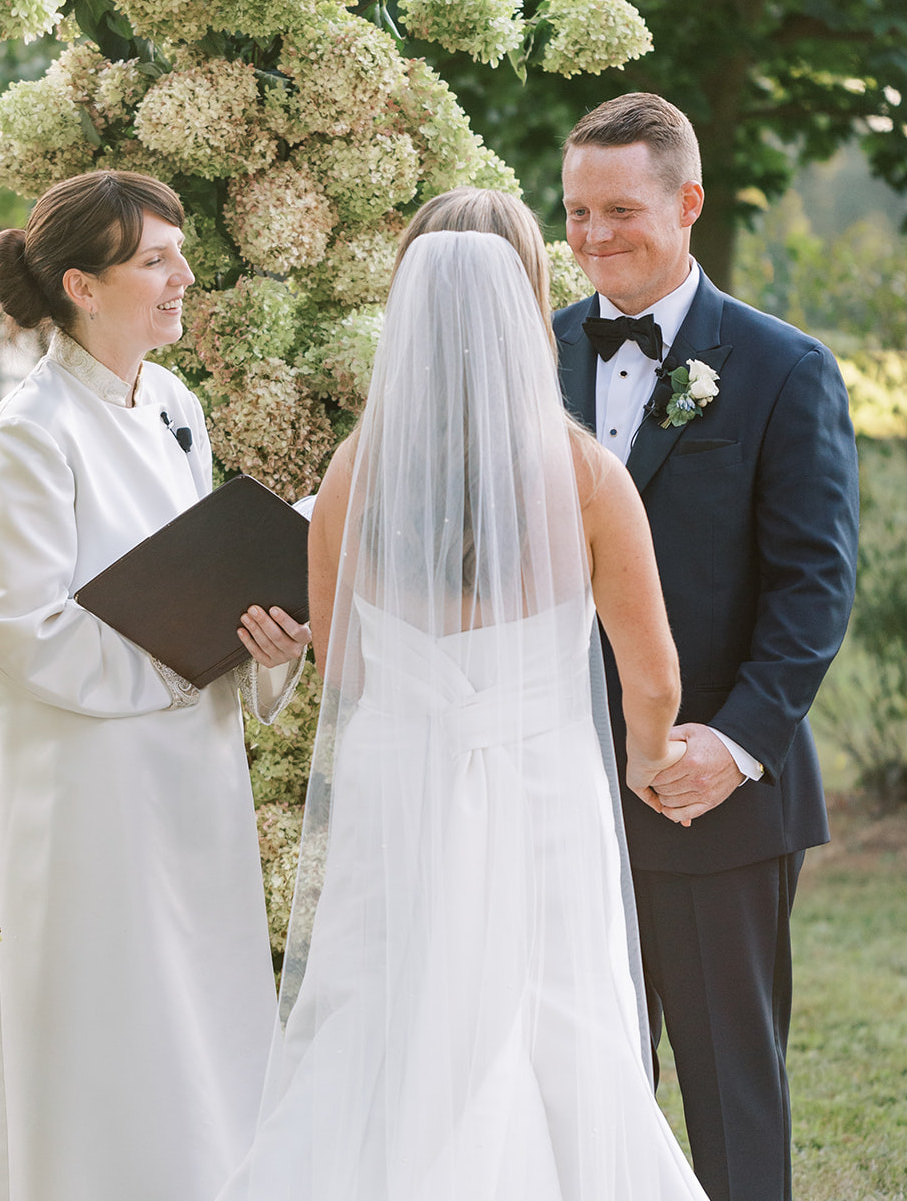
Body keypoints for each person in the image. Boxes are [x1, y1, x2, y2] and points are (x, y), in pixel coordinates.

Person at [215, 200, 710, 1200]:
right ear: (528, 298)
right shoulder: (585, 476)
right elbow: (649, 670)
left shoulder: (354, 472)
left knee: (382, 1016)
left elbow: (343, 666)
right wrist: (647, 752)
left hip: (399, 779)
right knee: (554, 1017)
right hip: (539, 782)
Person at [0, 169, 311, 1201]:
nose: (184, 275)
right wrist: (175, 655)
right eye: (155, 259)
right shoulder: (31, 428)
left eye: (177, 252)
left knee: (197, 1003)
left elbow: (204, 570)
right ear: (82, 286)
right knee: (108, 1012)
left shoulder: (174, 403)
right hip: (81, 778)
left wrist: (263, 643)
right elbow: (15, 621)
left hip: (190, 771)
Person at [554, 93, 860, 1201]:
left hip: (711, 791)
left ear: (686, 202)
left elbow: (814, 587)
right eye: (576, 211)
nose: (592, 237)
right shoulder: (532, 354)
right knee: (581, 1075)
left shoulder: (782, 367)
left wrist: (729, 747)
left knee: (730, 1081)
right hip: (555, 784)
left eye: (619, 209)